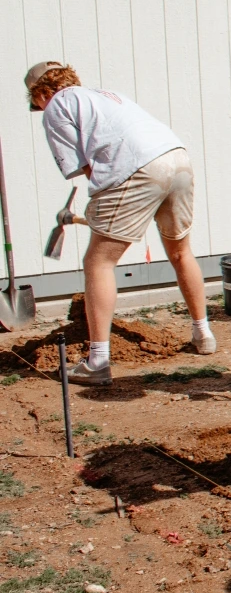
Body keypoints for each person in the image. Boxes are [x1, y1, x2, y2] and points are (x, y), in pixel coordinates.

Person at [26, 62, 215, 385]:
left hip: (136, 168)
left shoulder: (57, 105)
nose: (40, 108)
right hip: (176, 157)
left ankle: (97, 362)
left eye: (37, 101)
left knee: (98, 262)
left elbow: (87, 168)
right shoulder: (106, 96)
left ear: (43, 93)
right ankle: (204, 335)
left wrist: (107, 214)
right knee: (181, 251)